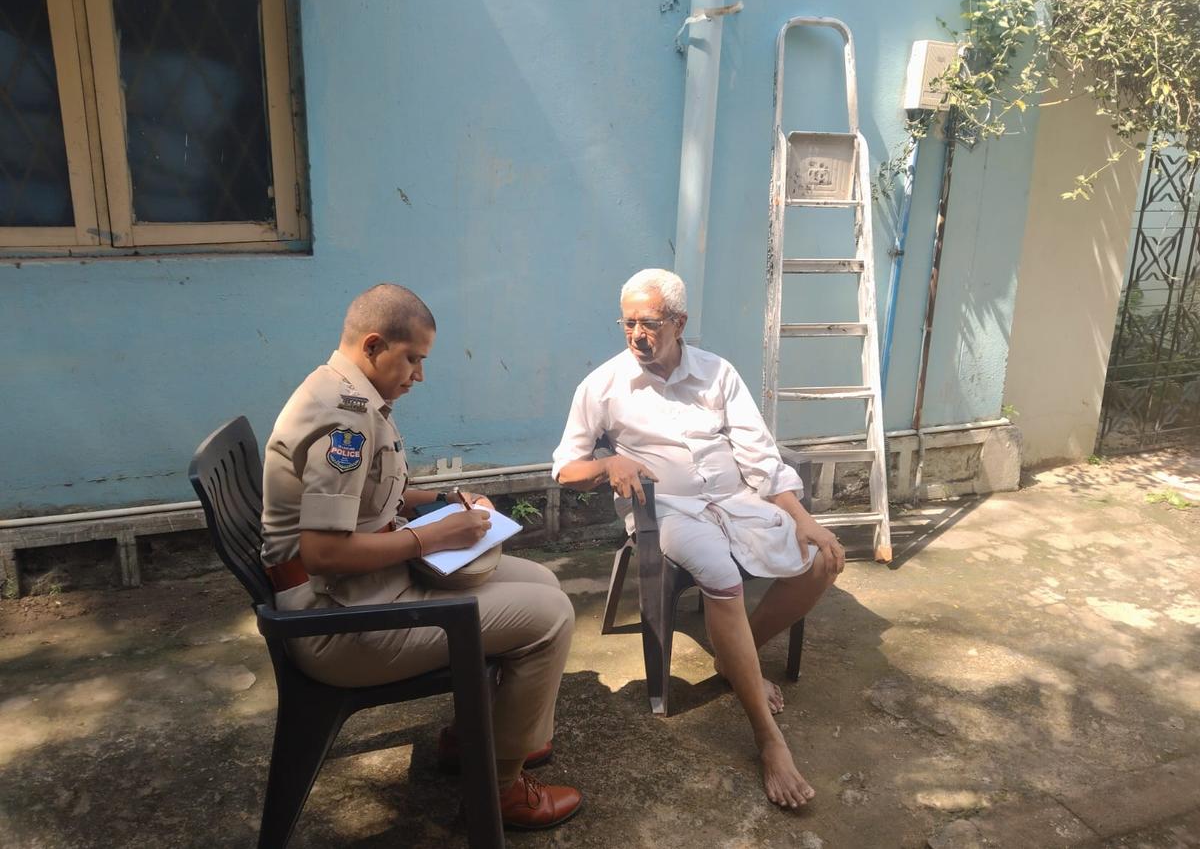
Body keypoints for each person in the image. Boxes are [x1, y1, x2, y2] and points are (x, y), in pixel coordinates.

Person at [260, 283, 582, 830]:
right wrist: (432, 538)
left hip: (363, 592)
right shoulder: (346, 417)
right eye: (413, 359)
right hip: (337, 625)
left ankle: (477, 738)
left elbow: (368, 495)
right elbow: (322, 551)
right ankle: (499, 790)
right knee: (551, 618)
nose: (419, 375)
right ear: (373, 345)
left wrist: (443, 501)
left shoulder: (346, 390)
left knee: (543, 583)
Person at [552, 268, 845, 810]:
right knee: (720, 572)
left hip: (736, 500)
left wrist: (802, 518)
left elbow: (759, 455)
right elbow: (565, 469)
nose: (637, 335)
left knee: (823, 558)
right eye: (628, 323)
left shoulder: (717, 373)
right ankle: (768, 740)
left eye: (649, 323)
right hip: (669, 511)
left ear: (679, 323)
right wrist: (608, 462)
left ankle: (735, 661)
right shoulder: (603, 385)